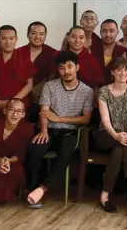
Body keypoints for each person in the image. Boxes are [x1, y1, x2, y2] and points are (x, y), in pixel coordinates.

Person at [25, 51, 93, 208]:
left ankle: (41, 190)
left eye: (70, 66)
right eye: (62, 68)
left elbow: (86, 119)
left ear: (77, 67)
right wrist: (43, 131)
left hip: (70, 133)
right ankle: (32, 188)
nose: (66, 71)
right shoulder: (50, 86)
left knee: (65, 157)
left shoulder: (87, 91)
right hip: (48, 129)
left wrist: (59, 118)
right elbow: (44, 112)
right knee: (35, 149)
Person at [94, 57, 127, 213]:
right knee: (121, 143)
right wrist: (116, 135)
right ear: (112, 72)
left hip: (126, 136)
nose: (123, 73)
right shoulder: (103, 91)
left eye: (126, 69)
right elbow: (105, 119)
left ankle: (105, 195)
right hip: (105, 134)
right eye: (119, 69)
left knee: (119, 150)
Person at [0, 25, 36, 128]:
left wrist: (13, 102)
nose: (8, 42)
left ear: (16, 39)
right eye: (4, 38)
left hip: (18, 106)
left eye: (11, 38)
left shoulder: (24, 59)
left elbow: (29, 84)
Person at [17, 21, 59, 123]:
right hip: (20, 97)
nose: (37, 37)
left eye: (41, 34)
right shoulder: (18, 53)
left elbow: (53, 79)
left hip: (44, 99)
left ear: (45, 36)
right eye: (33, 33)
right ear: (28, 35)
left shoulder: (52, 54)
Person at [93, 19, 126, 84]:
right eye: (104, 31)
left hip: (116, 91)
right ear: (100, 32)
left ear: (117, 32)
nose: (108, 34)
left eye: (111, 31)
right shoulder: (93, 50)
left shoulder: (123, 52)